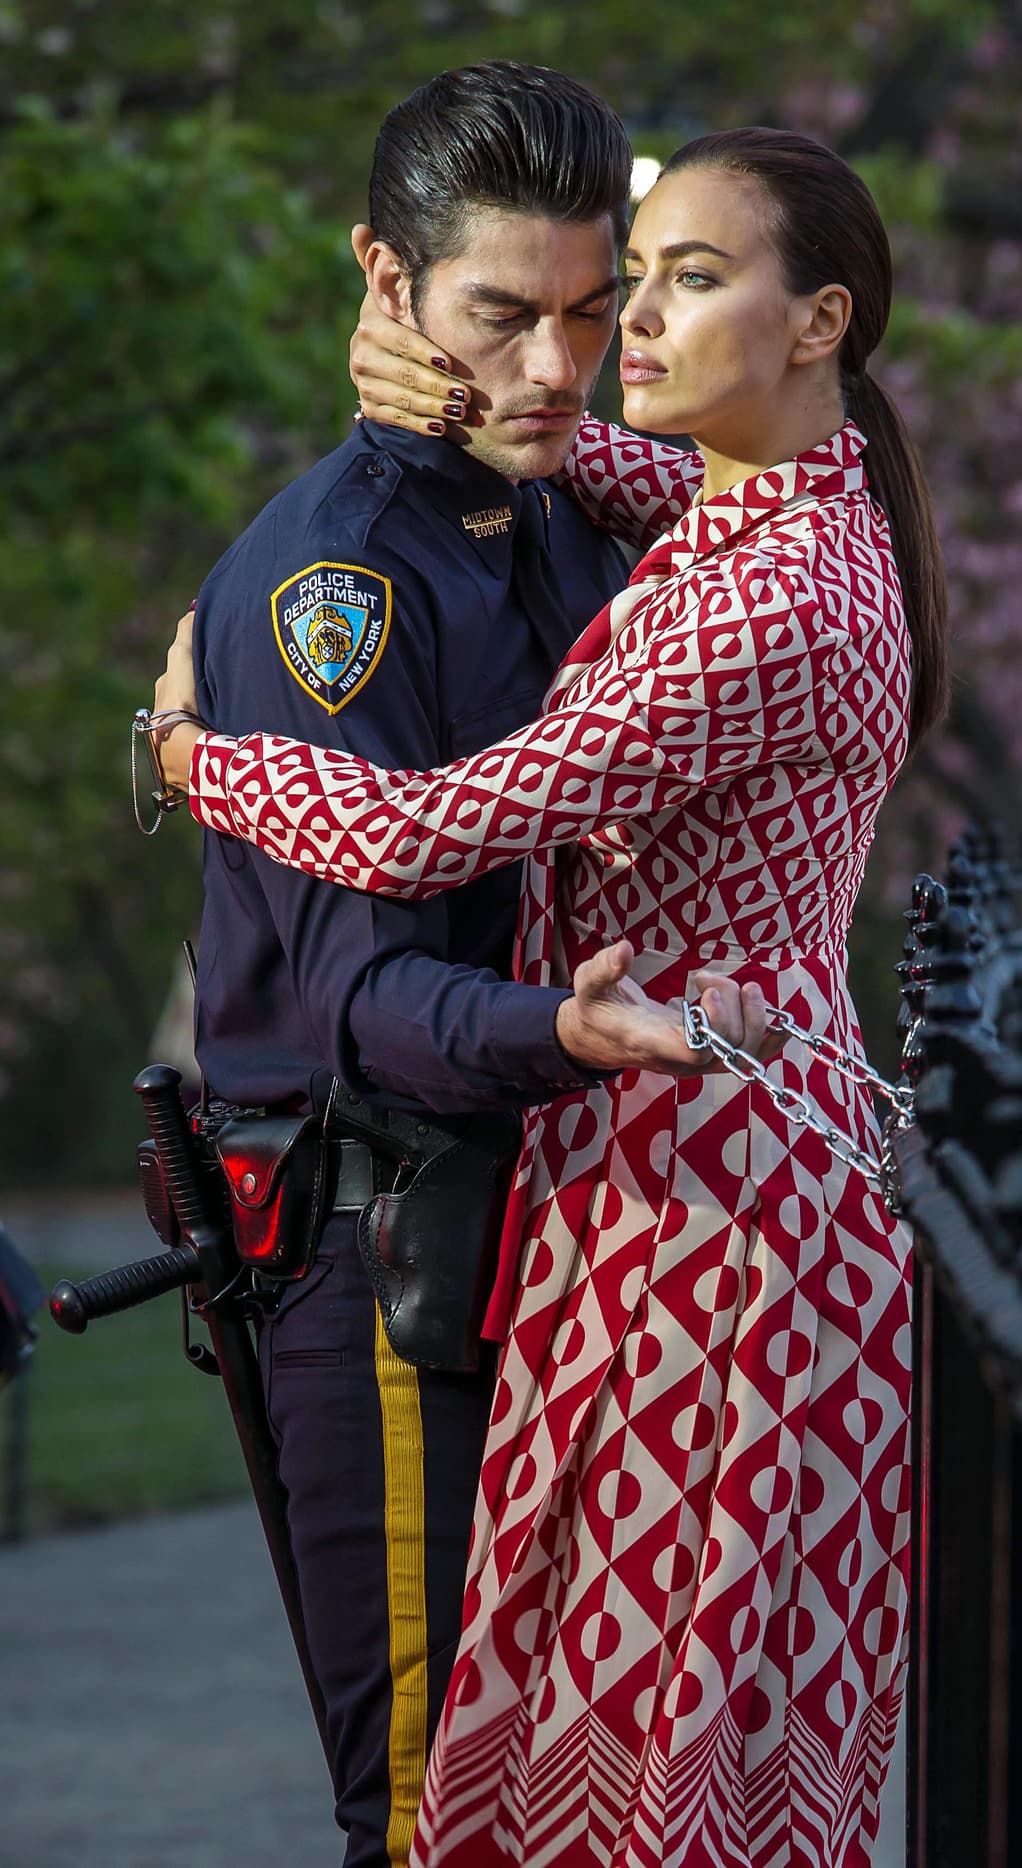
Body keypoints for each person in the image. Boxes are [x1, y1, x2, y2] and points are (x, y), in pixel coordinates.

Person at [154, 126, 948, 1867]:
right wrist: (474, 379)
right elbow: (603, 450)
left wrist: (188, 758)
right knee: (657, 1762)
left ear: (819, 321)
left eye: (672, 285)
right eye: (608, 291)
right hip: (689, 1177)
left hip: (703, 1215)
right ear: (395, 287)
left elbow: (441, 825)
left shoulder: (765, 597)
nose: (608, 344)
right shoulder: (784, 508)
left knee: (638, 1772)